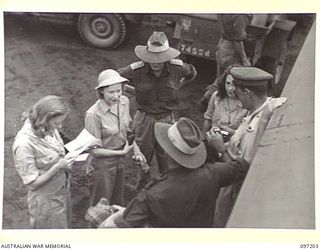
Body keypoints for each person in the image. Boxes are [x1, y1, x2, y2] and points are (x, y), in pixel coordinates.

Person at [98, 117, 249, 228]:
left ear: (166, 150)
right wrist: (221, 151)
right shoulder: (213, 173)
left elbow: (123, 228)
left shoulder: (152, 194)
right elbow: (241, 167)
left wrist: (117, 215)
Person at [207, 67, 287, 227]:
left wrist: (221, 149)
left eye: (238, 92)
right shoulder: (257, 110)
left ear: (247, 93)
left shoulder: (259, 124)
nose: (236, 96)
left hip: (236, 189)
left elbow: (243, 170)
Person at [118, 31, 197, 186]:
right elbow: (115, 78)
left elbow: (192, 74)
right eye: (151, 57)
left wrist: (178, 87)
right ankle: (143, 186)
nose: (155, 62)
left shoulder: (177, 67)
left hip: (167, 118)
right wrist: (131, 91)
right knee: (142, 157)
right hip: (144, 119)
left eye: (160, 58)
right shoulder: (136, 69)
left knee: (167, 157)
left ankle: (164, 186)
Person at [85, 69, 146, 208]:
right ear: (101, 91)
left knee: (117, 202)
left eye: (119, 90)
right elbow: (94, 151)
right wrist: (122, 153)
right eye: (111, 92)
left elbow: (127, 131)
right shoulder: (93, 114)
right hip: (102, 165)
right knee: (100, 206)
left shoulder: (124, 102)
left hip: (119, 160)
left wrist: (136, 151)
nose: (116, 96)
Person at [12, 95, 76, 229]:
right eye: (56, 123)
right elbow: (32, 185)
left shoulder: (46, 127)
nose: (59, 126)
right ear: (44, 119)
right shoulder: (24, 145)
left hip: (62, 191)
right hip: (46, 203)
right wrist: (58, 166)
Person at [199, 14, 251, 108]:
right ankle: (207, 98)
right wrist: (244, 59)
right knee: (227, 77)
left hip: (222, 44)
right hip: (231, 48)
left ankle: (212, 99)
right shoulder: (240, 15)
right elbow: (237, 39)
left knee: (220, 76)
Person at [202, 67, 248, 142]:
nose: (230, 88)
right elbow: (208, 118)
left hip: (234, 143)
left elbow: (247, 134)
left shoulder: (247, 103)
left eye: (234, 85)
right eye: (228, 83)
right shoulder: (216, 96)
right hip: (213, 140)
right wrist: (202, 140)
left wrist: (231, 132)